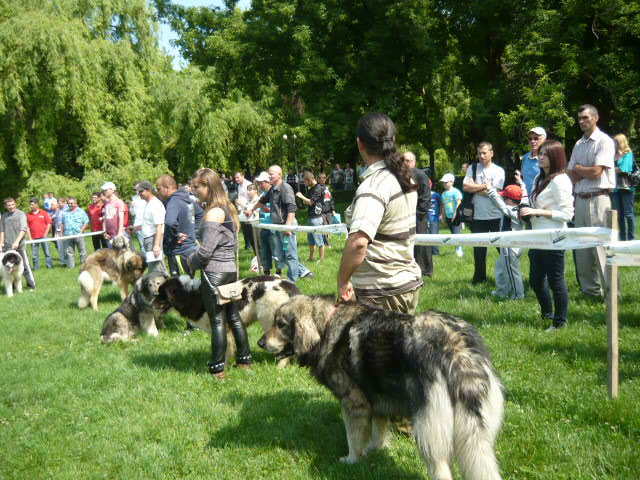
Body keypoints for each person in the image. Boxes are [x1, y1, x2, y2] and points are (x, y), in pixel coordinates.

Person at [338, 113, 422, 313]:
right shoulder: (404, 178)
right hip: (405, 284)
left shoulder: (373, 187)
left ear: (360, 144)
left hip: (381, 292)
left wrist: (342, 280)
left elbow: (358, 243)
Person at [188, 168, 252, 379]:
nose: (194, 190)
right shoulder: (227, 207)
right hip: (229, 272)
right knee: (233, 317)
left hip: (213, 274)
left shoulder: (214, 212)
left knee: (217, 321)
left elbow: (206, 252)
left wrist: (191, 262)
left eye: (198, 186)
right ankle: (244, 361)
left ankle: (218, 369)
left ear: (209, 186)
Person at [521, 140, 574, 330]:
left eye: (544, 154)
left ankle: (559, 322)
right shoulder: (538, 178)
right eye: (540, 154)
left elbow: (567, 214)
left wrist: (538, 213)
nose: (540, 156)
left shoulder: (561, 180)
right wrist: (526, 209)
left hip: (555, 238)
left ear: (554, 157)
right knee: (535, 280)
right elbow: (535, 203)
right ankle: (547, 314)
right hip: (537, 236)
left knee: (555, 280)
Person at [567, 104, 616, 298]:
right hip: (580, 199)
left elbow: (597, 172)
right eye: (579, 118)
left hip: (599, 199)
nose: (581, 121)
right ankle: (590, 292)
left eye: (585, 118)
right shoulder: (578, 144)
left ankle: (611, 292)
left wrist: (580, 169)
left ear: (596, 118)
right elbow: (570, 173)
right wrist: (582, 170)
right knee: (583, 249)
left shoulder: (604, 141)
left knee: (602, 247)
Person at [247, 165, 314, 282]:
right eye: (268, 174)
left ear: (279, 174)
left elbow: (292, 209)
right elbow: (261, 201)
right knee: (282, 255)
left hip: (286, 226)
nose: (269, 176)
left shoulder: (285, 188)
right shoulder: (272, 189)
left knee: (290, 254)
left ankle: (293, 280)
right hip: (278, 227)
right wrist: (251, 209)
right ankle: (299, 274)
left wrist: (287, 227)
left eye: (271, 174)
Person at [463, 142, 506, 284]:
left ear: (491, 153)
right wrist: (484, 186)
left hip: (496, 215)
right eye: (479, 153)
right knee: (479, 249)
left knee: (502, 248)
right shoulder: (472, 168)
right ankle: (479, 278)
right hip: (477, 216)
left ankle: (508, 275)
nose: (481, 156)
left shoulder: (499, 171)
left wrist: (475, 187)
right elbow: (465, 186)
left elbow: (493, 192)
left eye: (484, 153)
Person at [156, 174, 201, 277]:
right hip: (190, 247)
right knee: (190, 282)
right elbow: (200, 214)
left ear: (167, 188)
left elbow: (169, 222)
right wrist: (194, 233)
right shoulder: (187, 198)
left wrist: (176, 235)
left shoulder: (173, 201)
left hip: (177, 250)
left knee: (178, 286)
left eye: (159, 189)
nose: (157, 192)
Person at [486, 184, 525, 300]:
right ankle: (502, 291)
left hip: (511, 246)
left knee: (512, 272)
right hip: (506, 244)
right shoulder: (511, 208)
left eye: (505, 198)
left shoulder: (515, 211)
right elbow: (501, 206)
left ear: (510, 200)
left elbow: (502, 207)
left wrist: (492, 192)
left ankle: (518, 295)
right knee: (500, 268)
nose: (503, 199)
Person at [402, 152, 432, 277]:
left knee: (421, 243)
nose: (407, 163)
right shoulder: (399, 176)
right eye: (404, 160)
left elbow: (425, 197)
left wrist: (417, 213)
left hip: (419, 216)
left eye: (410, 160)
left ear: (414, 162)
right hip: (403, 216)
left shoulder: (421, 175)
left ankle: (425, 269)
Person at [0, 198, 36, 289]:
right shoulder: (4, 216)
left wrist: (17, 241)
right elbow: (2, 231)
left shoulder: (21, 214)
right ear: (5, 206)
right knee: (7, 268)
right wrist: (1, 243)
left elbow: (23, 229)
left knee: (25, 267)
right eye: (9, 205)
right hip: (7, 247)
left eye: (12, 204)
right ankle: (12, 287)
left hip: (19, 246)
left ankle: (32, 286)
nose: (11, 207)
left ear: (15, 204)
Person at [133, 181, 166, 273]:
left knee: (157, 270)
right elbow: (149, 224)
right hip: (149, 239)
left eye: (141, 191)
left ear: (148, 190)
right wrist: (135, 228)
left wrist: (156, 246)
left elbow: (159, 226)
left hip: (153, 239)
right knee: (154, 269)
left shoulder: (155, 205)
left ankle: (166, 286)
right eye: (138, 192)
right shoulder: (148, 203)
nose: (139, 194)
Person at [295, 171, 327, 262]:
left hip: (316, 218)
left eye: (305, 182)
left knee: (319, 239)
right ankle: (311, 257)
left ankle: (321, 259)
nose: (304, 184)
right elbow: (307, 202)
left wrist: (301, 196)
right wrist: (305, 199)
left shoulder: (318, 188)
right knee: (311, 240)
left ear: (309, 180)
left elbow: (310, 202)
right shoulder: (311, 189)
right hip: (310, 216)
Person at [611, 133, 635, 241]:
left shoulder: (628, 153)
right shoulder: (613, 154)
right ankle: (622, 239)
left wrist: (610, 169)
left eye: (615, 142)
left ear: (620, 142)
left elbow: (624, 169)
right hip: (615, 188)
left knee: (628, 214)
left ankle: (630, 238)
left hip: (626, 188)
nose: (613, 144)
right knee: (619, 215)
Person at [440, 173, 464, 257]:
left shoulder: (455, 192)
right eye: (443, 182)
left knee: (456, 233)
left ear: (452, 182)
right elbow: (443, 206)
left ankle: (459, 249)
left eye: (446, 182)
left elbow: (459, 202)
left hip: (456, 216)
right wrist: (442, 216)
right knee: (452, 232)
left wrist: (455, 213)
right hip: (448, 216)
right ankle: (457, 247)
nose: (444, 184)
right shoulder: (443, 194)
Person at [62, 197, 89, 268]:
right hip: (68, 235)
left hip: (78, 234)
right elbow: (62, 223)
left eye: (71, 203)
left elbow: (86, 222)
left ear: (75, 203)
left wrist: (81, 231)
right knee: (69, 252)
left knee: (82, 251)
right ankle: (71, 266)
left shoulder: (81, 211)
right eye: (68, 203)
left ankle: (84, 266)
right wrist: (62, 234)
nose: (70, 204)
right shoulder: (65, 212)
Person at [26, 198, 53, 269]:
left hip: (44, 237)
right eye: (30, 205)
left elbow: (49, 223)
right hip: (33, 238)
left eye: (32, 204)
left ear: (37, 204)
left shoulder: (43, 212)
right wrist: (30, 238)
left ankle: (49, 266)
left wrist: (45, 234)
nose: (30, 206)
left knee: (47, 253)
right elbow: (27, 227)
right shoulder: (28, 215)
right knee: (35, 255)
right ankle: (36, 268)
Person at [521, 126, 547, 198]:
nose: (532, 141)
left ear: (544, 140)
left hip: (542, 199)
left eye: (536, 138)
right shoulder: (525, 157)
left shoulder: (548, 158)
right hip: (526, 199)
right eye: (530, 139)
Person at [101, 182, 126, 247]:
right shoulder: (107, 203)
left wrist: (120, 233)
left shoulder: (119, 202)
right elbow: (106, 219)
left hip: (117, 235)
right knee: (112, 256)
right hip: (109, 235)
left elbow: (121, 218)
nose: (104, 192)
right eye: (104, 190)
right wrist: (105, 232)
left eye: (106, 190)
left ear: (112, 190)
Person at [428, 180, 441, 256]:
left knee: (434, 234)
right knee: (426, 235)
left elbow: (441, 204)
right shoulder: (421, 194)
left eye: (429, 184)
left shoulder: (436, 195)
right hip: (425, 219)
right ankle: (428, 252)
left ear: (431, 185)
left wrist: (441, 214)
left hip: (434, 218)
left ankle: (435, 252)